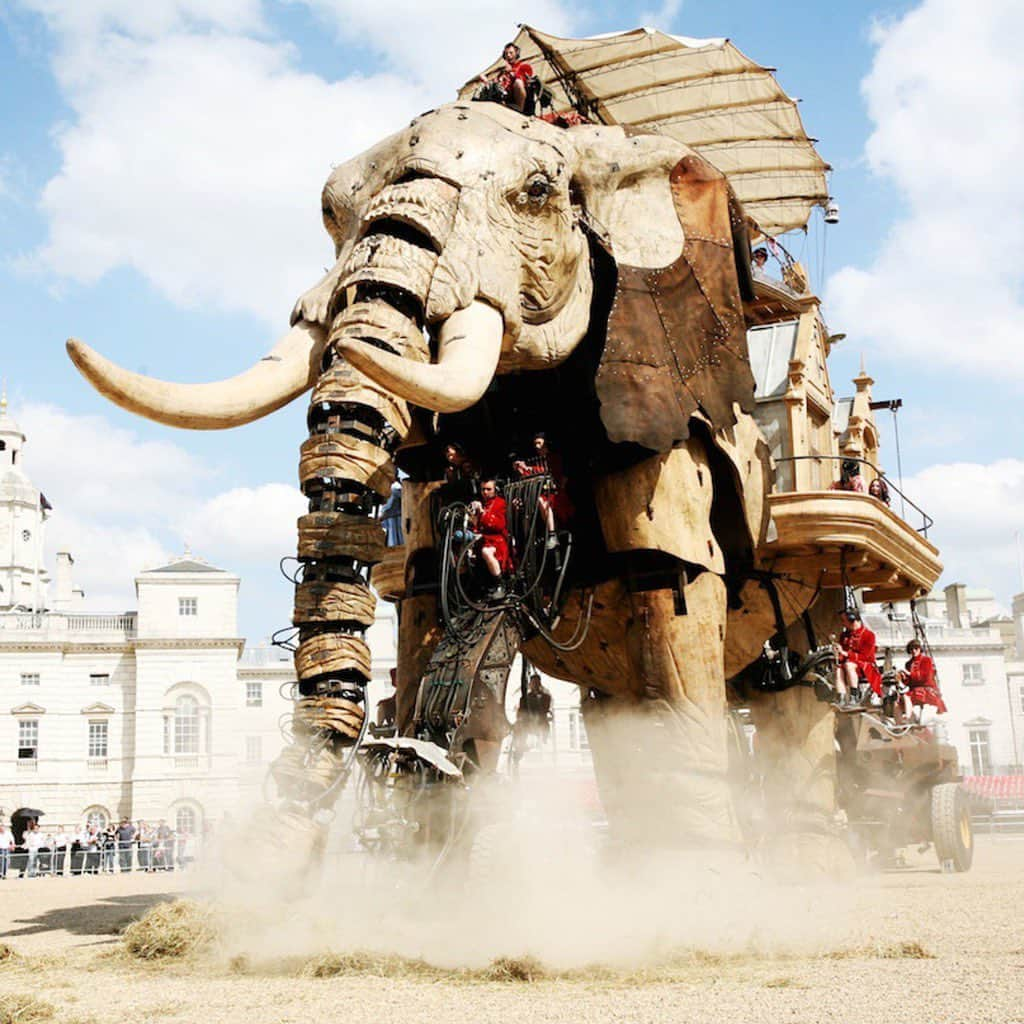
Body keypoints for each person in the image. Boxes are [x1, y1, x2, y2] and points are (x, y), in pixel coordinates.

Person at [512, 432, 573, 549]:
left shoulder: (554, 458)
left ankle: (552, 534)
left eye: (539, 443)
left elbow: (547, 472)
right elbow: (530, 475)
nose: (537, 446)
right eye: (535, 444)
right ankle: (529, 539)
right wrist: (522, 469)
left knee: (542, 501)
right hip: (541, 494)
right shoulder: (537, 460)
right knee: (524, 506)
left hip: (555, 493)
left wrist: (528, 468)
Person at [469, 479, 511, 599]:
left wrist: (482, 512)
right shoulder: (481, 503)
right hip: (483, 539)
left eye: (489, 489)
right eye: (483, 489)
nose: (485, 492)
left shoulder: (501, 503)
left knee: (486, 552)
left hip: (497, 540)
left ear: (495, 490)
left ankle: (500, 585)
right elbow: (476, 526)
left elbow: (499, 525)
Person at [833, 608, 881, 708]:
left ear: (852, 620)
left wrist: (846, 654)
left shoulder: (869, 635)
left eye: (844, 621)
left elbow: (866, 656)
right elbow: (843, 654)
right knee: (838, 669)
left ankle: (853, 697)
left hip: (866, 666)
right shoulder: (844, 635)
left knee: (848, 665)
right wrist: (838, 654)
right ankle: (841, 698)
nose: (843, 624)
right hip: (849, 665)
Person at [477, 42, 534, 113]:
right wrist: (486, 81)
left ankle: (519, 108)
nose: (508, 55)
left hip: (518, 98)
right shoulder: (503, 72)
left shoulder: (524, 66)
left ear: (516, 53)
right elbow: (497, 84)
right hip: (505, 97)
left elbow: (523, 79)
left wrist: (511, 71)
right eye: (506, 53)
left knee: (518, 82)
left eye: (511, 53)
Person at [901, 638, 947, 717]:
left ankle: (908, 717)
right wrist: (903, 678)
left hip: (927, 689)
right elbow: (909, 682)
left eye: (916, 648)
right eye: (911, 649)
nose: (914, 651)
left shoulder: (926, 660)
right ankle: (902, 721)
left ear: (920, 649)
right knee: (899, 701)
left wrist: (909, 674)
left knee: (906, 696)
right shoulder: (908, 664)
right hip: (914, 690)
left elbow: (925, 677)